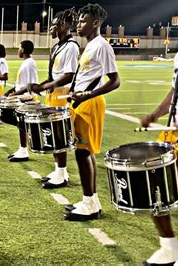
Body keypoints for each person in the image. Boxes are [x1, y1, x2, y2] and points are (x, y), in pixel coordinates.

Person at [64, 3, 120, 221]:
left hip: (90, 103)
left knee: (84, 152)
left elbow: (115, 81)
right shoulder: (89, 46)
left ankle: (91, 205)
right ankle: (90, 201)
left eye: (83, 21)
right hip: (79, 101)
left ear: (95, 23)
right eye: (78, 20)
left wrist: (87, 95)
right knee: (81, 151)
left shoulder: (101, 46)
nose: (78, 24)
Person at [139, 49, 178, 265]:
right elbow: (176, 91)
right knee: (155, 187)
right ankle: (169, 246)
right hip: (173, 132)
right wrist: (155, 114)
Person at [28, 8, 80, 189]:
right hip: (53, 93)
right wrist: (41, 85)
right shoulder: (57, 46)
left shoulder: (72, 46)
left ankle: (61, 174)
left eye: (54, 24)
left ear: (64, 25)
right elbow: (53, 75)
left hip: (62, 94)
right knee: (52, 132)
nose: (50, 28)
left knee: (59, 135)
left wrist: (47, 86)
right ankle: (60, 171)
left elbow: (68, 75)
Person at [4, 40, 37, 162]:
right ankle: (22, 149)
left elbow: (30, 85)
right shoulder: (26, 62)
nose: (18, 50)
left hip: (26, 98)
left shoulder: (29, 63)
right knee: (20, 124)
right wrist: (11, 91)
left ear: (23, 50)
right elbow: (20, 83)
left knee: (22, 125)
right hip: (21, 97)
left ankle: (24, 151)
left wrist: (15, 94)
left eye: (19, 48)